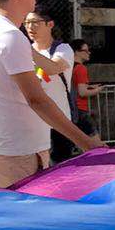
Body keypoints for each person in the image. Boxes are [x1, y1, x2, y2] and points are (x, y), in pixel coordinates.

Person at [0, 0, 100, 187]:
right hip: (19, 156)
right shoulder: (9, 36)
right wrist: (87, 143)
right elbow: (37, 99)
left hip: (14, 151)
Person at [23, 11, 77, 163]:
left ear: (50, 24)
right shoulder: (24, 50)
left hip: (59, 122)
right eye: (26, 23)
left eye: (35, 22)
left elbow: (53, 68)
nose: (30, 27)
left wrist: (27, 51)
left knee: (60, 171)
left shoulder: (63, 49)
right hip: (32, 121)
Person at [69, 40, 102, 138]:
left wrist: (90, 87)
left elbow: (74, 85)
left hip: (72, 109)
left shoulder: (70, 67)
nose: (89, 53)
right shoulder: (81, 68)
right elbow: (82, 92)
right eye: (85, 50)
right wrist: (97, 90)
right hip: (81, 109)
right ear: (76, 52)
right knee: (95, 142)